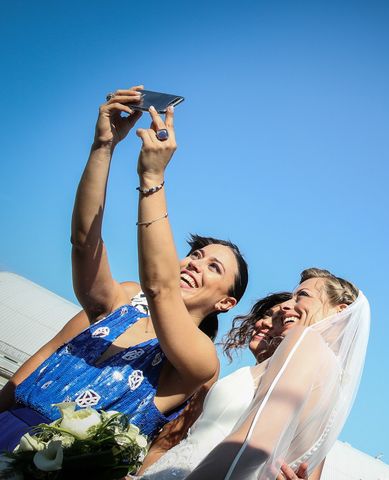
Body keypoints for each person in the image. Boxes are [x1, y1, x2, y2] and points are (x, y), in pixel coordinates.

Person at [0, 86, 248, 450]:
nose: (196, 263)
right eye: (195, 254)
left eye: (214, 267)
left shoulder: (199, 360)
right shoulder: (124, 299)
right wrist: (104, 146)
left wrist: (152, 178)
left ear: (225, 302)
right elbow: (84, 244)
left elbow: (161, 288)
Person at [138, 268, 369, 480]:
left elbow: (250, 446)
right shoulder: (332, 386)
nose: (286, 306)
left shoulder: (305, 341)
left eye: (302, 296)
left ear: (341, 310)